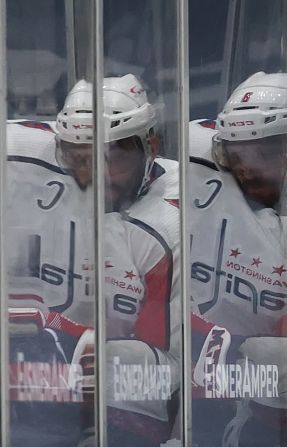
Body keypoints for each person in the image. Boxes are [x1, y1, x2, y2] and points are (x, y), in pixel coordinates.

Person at [7, 74, 181, 447]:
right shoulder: (23, 155)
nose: (93, 175)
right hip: (26, 398)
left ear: (150, 145)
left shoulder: (173, 221)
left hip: (105, 413)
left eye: (112, 158)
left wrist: (66, 339)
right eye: (77, 158)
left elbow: (171, 373)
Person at [189, 71, 287, 447]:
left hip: (278, 406)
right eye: (236, 155)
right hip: (199, 392)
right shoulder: (192, 159)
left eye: (263, 153)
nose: (247, 167)